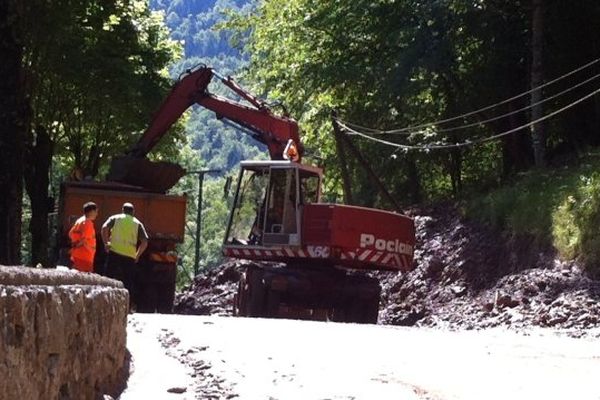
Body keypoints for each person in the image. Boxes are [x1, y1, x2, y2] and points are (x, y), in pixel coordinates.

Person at [101, 202, 149, 305]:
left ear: (122, 210)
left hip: (114, 252)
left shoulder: (115, 218)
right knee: (128, 281)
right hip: (129, 256)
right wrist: (137, 255)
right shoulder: (137, 223)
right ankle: (127, 304)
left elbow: (104, 227)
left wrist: (106, 243)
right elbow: (145, 241)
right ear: (133, 212)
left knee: (108, 278)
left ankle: (105, 302)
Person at [68, 201, 98, 272]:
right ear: (92, 211)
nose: (97, 214)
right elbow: (84, 240)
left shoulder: (79, 221)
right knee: (85, 278)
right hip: (85, 255)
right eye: (96, 212)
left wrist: (74, 248)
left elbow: (70, 233)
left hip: (78, 255)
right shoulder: (88, 223)